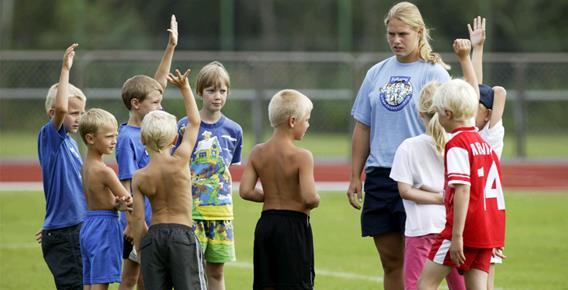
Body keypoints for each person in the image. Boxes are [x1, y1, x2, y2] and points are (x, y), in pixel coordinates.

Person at [347, 2, 450, 289]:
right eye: (391, 34)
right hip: (381, 175)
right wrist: (356, 175)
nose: (396, 40)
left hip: (421, 178)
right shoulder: (376, 73)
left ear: (419, 32)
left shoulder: (435, 73)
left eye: (403, 34)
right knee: (391, 261)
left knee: (422, 259)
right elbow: (363, 126)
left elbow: (449, 126)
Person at [417, 79, 506, 290]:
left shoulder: (457, 144)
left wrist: (456, 236)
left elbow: (463, 190)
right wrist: (495, 237)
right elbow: (494, 195)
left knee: (425, 284)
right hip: (486, 232)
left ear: (447, 114)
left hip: (462, 231)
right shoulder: (485, 144)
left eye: (438, 113)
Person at [126, 68, 206, 290]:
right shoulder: (180, 161)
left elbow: (137, 218)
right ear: (174, 138)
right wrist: (185, 88)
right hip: (182, 236)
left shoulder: (139, 177)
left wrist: (143, 251)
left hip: (154, 237)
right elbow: (195, 122)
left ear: (142, 138)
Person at [116, 14, 178, 290]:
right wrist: (133, 223)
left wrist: (171, 48)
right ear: (136, 104)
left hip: (157, 218)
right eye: (156, 102)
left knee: (148, 278)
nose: (161, 106)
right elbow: (127, 185)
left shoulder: (150, 126)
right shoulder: (127, 139)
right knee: (131, 277)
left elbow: (158, 85)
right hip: (138, 221)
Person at [239, 89, 320, 290]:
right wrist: (315, 199)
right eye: (306, 120)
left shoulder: (258, 152)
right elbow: (310, 198)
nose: (308, 125)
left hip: (266, 225)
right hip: (294, 228)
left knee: (267, 283)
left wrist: (272, 197)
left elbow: (246, 191)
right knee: (297, 283)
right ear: (293, 121)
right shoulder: (302, 156)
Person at [390, 81, 465, 290]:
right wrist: (444, 197)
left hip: (421, 227)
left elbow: (404, 191)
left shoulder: (408, 147)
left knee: (415, 285)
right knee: (461, 285)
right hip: (453, 224)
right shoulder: (458, 143)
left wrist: (434, 195)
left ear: (419, 112)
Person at [175, 61, 242, 290]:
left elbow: (228, 167)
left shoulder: (234, 130)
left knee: (216, 271)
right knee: (191, 271)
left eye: (222, 91)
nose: (217, 96)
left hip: (222, 213)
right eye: (211, 90)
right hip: (191, 211)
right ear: (199, 92)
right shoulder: (185, 126)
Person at [37, 43, 87, 290]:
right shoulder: (51, 139)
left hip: (73, 228)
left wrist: (50, 223)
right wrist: (65, 69)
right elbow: (62, 107)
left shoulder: (71, 144)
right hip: (66, 233)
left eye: (81, 112)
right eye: (74, 113)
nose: (78, 117)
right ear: (52, 112)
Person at [468, 16, 508, 290]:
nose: (470, 108)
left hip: (484, 211)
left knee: (484, 277)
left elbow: (499, 91)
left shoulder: (491, 134)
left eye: (477, 106)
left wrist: (475, 53)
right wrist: (477, 51)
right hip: (482, 209)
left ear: (489, 113)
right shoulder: (469, 130)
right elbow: (474, 91)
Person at [78, 108, 133, 289]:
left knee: (89, 281)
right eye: (109, 136)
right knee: (101, 284)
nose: (115, 141)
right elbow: (128, 200)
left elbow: (104, 200)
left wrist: (117, 204)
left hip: (89, 224)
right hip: (105, 227)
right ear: (91, 139)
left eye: (116, 135)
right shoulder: (104, 171)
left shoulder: (85, 166)